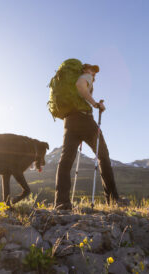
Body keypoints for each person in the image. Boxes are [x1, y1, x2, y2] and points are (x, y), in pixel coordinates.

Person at [54, 63, 120, 210]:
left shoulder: (69, 82)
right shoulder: (85, 77)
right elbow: (80, 86)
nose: (93, 74)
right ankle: (113, 199)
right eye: (92, 70)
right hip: (84, 120)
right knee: (103, 155)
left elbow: (78, 89)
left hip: (69, 121)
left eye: (94, 72)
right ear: (84, 69)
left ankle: (61, 202)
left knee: (66, 159)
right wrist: (96, 104)